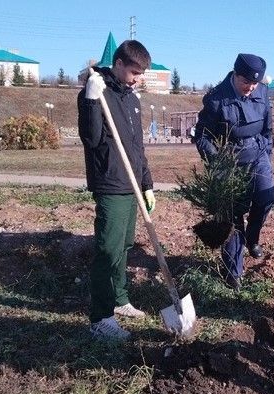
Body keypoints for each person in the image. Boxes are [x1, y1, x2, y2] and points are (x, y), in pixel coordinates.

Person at [78, 40, 157, 339]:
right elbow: (92, 139)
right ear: (119, 64)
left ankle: (120, 299)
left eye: (142, 73)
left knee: (123, 246)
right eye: (135, 71)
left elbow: (138, 147)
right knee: (108, 250)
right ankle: (100, 318)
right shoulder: (96, 91)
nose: (139, 78)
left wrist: (147, 184)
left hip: (133, 185)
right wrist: (90, 100)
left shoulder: (132, 99)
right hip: (110, 182)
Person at [194, 53, 274, 290]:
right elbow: (202, 136)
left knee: (266, 198)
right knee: (233, 215)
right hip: (230, 160)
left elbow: (268, 129)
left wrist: (267, 157)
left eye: (255, 83)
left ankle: (253, 238)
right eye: (246, 82)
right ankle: (234, 271)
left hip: (258, 154)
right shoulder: (216, 99)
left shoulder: (261, 92)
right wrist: (218, 162)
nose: (251, 88)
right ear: (235, 75)